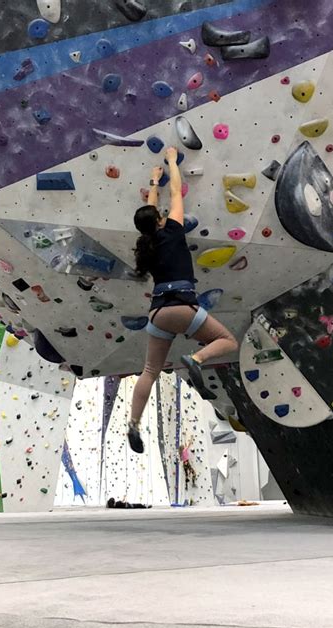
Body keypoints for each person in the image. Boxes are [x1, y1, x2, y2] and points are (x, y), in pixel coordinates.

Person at [128, 147, 238, 453]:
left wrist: (153, 183)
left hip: (158, 313)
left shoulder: (145, 244)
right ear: (162, 219)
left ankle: (133, 423)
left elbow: (151, 215)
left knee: (149, 371)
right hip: (184, 308)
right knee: (228, 340)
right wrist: (173, 162)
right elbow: (176, 192)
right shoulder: (174, 231)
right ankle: (198, 358)